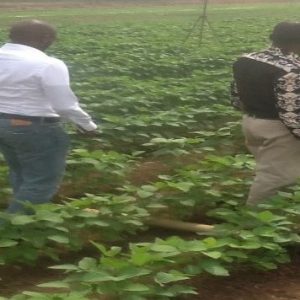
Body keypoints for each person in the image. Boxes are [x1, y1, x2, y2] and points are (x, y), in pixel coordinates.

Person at [0, 20, 98, 213]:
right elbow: (64, 105)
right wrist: (88, 126)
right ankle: (10, 229)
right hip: (34, 127)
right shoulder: (47, 64)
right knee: (41, 182)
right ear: (44, 38)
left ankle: (27, 221)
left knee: (21, 173)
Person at [231, 22, 300, 206]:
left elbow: (236, 96)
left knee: (272, 169)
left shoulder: (245, 60)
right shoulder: (291, 69)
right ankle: (255, 220)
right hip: (278, 129)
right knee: (274, 177)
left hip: (251, 122)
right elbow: (291, 114)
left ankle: (281, 209)